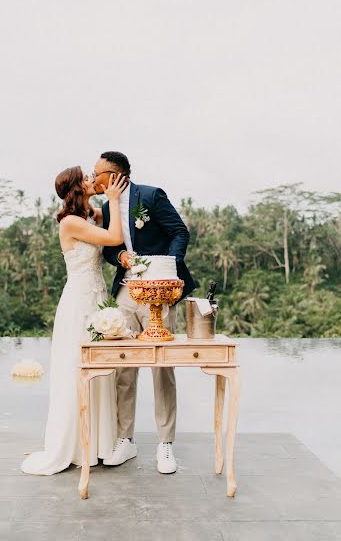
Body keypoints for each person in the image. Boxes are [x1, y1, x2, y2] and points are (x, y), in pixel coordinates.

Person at [93, 151, 197, 474]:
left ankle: (165, 444)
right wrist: (120, 256)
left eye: (96, 173)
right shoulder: (106, 207)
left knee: (161, 366)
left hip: (159, 293)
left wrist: (167, 269)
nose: (92, 177)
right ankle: (126, 439)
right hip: (125, 290)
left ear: (113, 176)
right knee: (124, 366)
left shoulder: (151, 196)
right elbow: (110, 247)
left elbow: (180, 232)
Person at [21, 167, 128, 475]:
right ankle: (76, 444)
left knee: (101, 369)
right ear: (75, 188)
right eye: (85, 178)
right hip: (79, 302)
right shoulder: (70, 223)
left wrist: (105, 200)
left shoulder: (86, 217)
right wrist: (114, 198)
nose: (90, 180)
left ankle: (99, 444)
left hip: (97, 298)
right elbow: (114, 237)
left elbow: (105, 227)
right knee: (78, 369)